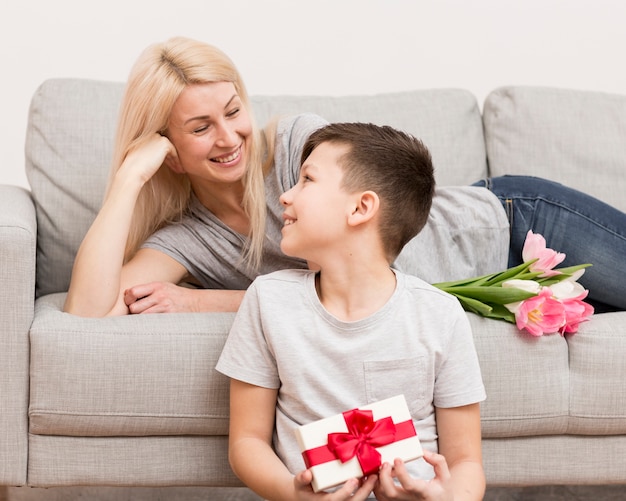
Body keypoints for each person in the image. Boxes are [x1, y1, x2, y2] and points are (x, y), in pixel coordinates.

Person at [63, 35, 626, 318]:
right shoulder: (189, 238)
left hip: (511, 222)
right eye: (201, 127)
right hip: (496, 292)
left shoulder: (299, 147)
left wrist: (197, 303)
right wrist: (130, 179)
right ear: (170, 151)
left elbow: (359, 269)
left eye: (233, 111)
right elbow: (88, 311)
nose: (230, 137)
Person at [216, 122, 486, 500]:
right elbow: (246, 442)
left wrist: (448, 497)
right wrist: (293, 495)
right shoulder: (269, 301)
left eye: (307, 180)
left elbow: (467, 463)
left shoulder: (440, 315)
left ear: (360, 207)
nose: (285, 197)